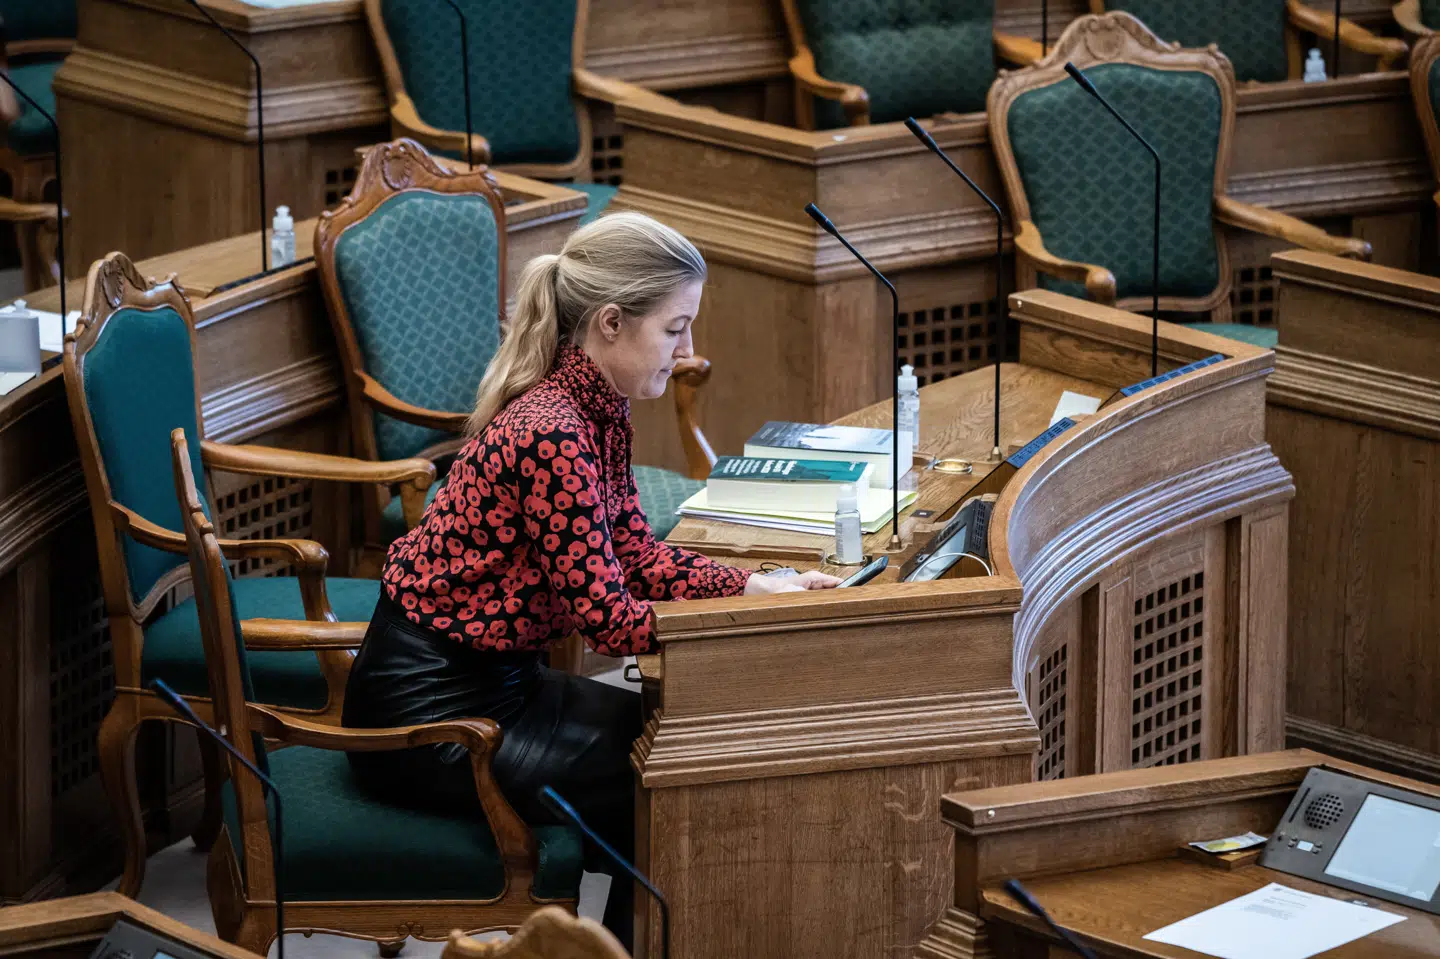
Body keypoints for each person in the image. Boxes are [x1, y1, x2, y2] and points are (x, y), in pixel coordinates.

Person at [342, 211, 839, 946]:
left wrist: (752, 586)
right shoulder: (553, 428)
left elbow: (633, 552)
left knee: (675, 734)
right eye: (675, 328)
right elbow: (608, 617)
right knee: (667, 771)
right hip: (429, 711)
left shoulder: (595, 408)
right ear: (611, 322)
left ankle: (621, 944)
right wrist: (735, 610)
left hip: (502, 686)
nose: (690, 349)